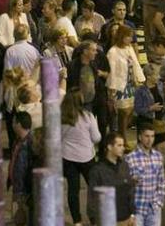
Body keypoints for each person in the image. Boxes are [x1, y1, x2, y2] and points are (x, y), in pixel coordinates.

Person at [61, 89, 101, 225]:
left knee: (73, 190)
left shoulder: (62, 118)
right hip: (86, 157)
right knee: (94, 188)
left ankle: (77, 221)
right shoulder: (88, 117)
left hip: (67, 158)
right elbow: (96, 138)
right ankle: (94, 218)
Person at [107, 24, 145, 145]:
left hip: (130, 84)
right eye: (128, 36)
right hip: (119, 85)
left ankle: (122, 135)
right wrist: (112, 90)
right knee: (123, 113)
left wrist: (139, 79)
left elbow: (136, 64)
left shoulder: (129, 48)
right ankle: (122, 138)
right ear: (121, 36)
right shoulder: (113, 51)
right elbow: (111, 71)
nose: (130, 39)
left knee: (130, 112)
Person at [87, 132, 135, 225]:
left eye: (123, 145)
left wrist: (133, 214)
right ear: (109, 147)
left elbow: (130, 191)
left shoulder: (125, 166)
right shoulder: (97, 170)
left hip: (126, 219)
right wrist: (94, 221)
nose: (123, 148)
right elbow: (92, 198)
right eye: (119, 145)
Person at [125, 123, 165, 226]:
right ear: (140, 137)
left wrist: (159, 202)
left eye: (152, 136)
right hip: (137, 209)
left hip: (154, 208)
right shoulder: (130, 158)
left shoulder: (158, 156)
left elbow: (161, 182)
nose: (150, 140)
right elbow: (125, 186)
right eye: (147, 136)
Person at [8, 111, 34, 226]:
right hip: (17, 186)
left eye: (14, 122)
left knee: (22, 217)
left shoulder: (31, 144)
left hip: (24, 189)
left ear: (18, 124)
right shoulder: (18, 141)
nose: (12, 124)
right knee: (18, 217)